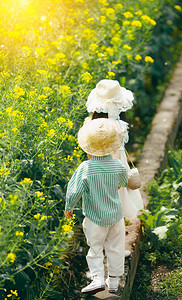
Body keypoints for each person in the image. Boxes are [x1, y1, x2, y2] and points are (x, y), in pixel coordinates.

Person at [65, 118, 128, 295]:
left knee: (95, 248)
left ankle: (97, 278)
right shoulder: (117, 165)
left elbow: (74, 190)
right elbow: (123, 182)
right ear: (113, 144)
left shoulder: (86, 167)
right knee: (115, 247)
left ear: (88, 146)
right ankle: (114, 281)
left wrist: (69, 206)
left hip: (94, 218)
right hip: (116, 215)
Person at [85, 79, 144, 220]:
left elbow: (88, 152)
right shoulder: (119, 126)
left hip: (96, 167)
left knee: (101, 202)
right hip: (117, 167)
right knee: (118, 199)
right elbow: (117, 154)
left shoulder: (90, 125)